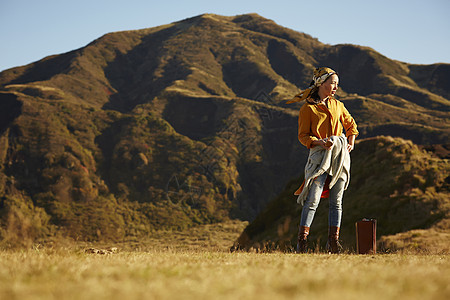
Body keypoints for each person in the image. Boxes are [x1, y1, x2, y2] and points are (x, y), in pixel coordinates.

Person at [287, 67, 358, 254]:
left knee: (337, 202)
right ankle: (302, 243)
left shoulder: (338, 105)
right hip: (319, 157)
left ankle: (333, 244)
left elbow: (351, 125)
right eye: (332, 83)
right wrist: (318, 142)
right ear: (321, 83)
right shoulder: (307, 109)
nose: (335, 87)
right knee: (312, 200)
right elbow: (303, 136)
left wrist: (350, 143)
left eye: (336, 84)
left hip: (339, 157)